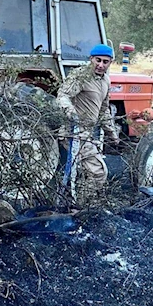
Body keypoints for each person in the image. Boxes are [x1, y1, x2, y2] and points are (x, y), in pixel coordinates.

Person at [56, 44, 120, 202]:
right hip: (73, 132)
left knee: (83, 173)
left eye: (105, 62)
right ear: (91, 59)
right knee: (98, 172)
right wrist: (71, 112)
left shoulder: (106, 80)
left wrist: (112, 134)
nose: (101, 65)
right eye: (98, 60)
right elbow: (62, 95)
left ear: (110, 62)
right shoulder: (81, 75)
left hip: (87, 134)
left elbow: (104, 110)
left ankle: (76, 202)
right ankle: (82, 206)